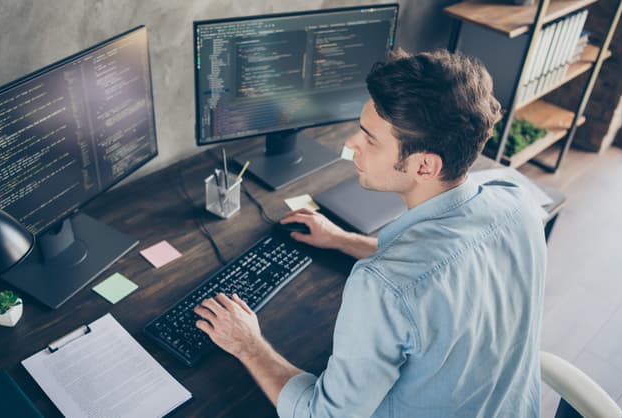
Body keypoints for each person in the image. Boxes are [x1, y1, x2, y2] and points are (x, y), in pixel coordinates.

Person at [194, 49, 547, 417]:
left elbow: (323, 415)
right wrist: (343, 240)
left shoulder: (381, 286)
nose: (350, 144)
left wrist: (248, 344)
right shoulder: (516, 202)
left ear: (425, 165)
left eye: (370, 139)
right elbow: (445, 268)